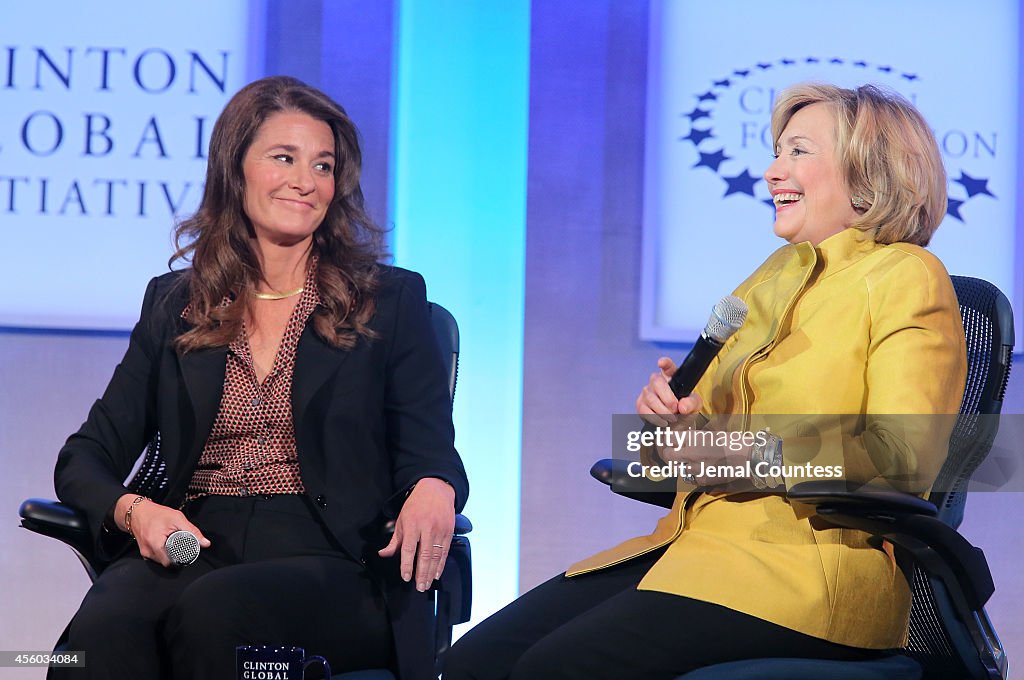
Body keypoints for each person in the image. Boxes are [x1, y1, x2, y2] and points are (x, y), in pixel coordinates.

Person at [443, 83, 966, 679]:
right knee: (474, 664)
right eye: (776, 152)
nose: (772, 172)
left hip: (808, 575)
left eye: (798, 152)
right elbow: (691, 452)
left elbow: (904, 458)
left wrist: (740, 452)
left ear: (869, 172)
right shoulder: (773, 274)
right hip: (696, 549)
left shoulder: (909, 276)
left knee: (556, 669)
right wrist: (666, 427)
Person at [51, 75, 468, 680]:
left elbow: (431, 448)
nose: (305, 180)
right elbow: (84, 458)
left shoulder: (390, 301)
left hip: (334, 556)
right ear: (235, 170)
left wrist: (434, 484)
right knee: (92, 641)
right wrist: (134, 511)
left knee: (214, 615)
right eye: (284, 158)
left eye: (322, 165)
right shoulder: (177, 305)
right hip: (197, 538)